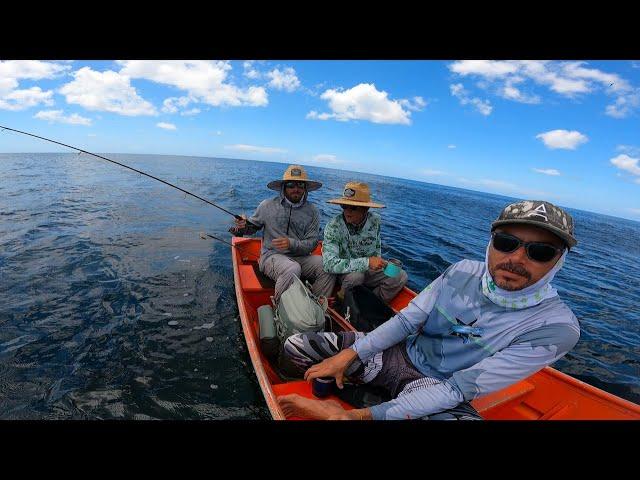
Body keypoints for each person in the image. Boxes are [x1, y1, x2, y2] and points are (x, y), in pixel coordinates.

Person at [278, 200, 581, 420]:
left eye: (540, 251)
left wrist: (354, 417)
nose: (516, 258)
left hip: (441, 385)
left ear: (559, 260)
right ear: (491, 243)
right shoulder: (462, 271)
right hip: (396, 355)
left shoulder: (556, 328)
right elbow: (406, 322)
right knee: (296, 346)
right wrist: (349, 354)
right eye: (506, 242)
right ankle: (374, 393)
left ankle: (361, 401)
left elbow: (458, 390)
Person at [230, 165, 336, 303]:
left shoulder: (313, 211)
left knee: (327, 266)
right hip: (271, 257)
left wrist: (291, 244)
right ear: (283, 187)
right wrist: (242, 225)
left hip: (301, 257)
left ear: (305, 189)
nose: (296, 189)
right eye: (291, 185)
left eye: (300, 185)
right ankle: (280, 308)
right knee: (292, 268)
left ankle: (315, 307)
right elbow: (250, 228)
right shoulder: (266, 205)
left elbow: (311, 244)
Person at [322, 181, 408, 303]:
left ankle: (371, 304)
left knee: (400, 276)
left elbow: (376, 247)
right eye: (344, 206)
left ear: (365, 209)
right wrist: (367, 263)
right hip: (346, 272)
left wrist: (378, 263)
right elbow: (329, 264)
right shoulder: (333, 226)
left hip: (368, 269)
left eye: (353, 207)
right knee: (356, 278)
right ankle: (343, 301)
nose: (347, 211)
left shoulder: (375, 220)